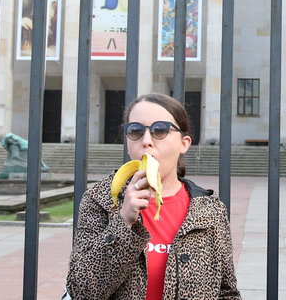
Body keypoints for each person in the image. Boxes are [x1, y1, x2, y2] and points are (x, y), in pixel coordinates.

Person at [66, 93, 241, 299]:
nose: (146, 141)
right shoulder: (100, 200)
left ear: (184, 143)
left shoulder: (210, 210)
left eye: (160, 130)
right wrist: (123, 223)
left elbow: (227, 292)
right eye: (136, 131)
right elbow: (81, 291)